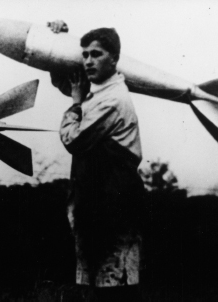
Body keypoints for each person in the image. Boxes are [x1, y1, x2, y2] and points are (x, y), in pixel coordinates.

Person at [47, 21, 145, 301]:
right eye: (85, 54)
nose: (88, 60)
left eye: (96, 54)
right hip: (97, 202)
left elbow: (73, 140)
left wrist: (76, 105)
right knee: (99, 285)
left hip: (113, 205)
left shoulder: (112, 99)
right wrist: (58, 41)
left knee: (114, 287)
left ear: (114, 58)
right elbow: (66, 83)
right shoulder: (99, 91)